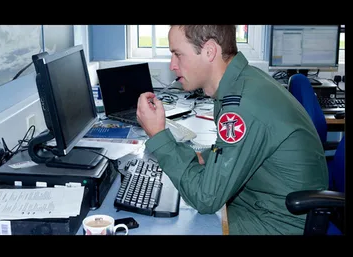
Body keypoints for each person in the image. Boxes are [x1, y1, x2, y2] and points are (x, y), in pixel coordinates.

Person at [136, 25, 328, 235]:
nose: (172, 65)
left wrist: (158, 135)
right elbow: (230, 150)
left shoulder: (242, 104)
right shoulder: (241, 81)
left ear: (209, 51)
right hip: (259, 202)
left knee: (177, 228)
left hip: (279, 221)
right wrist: (199, 157)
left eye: (177, 54)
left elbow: (205, 199)